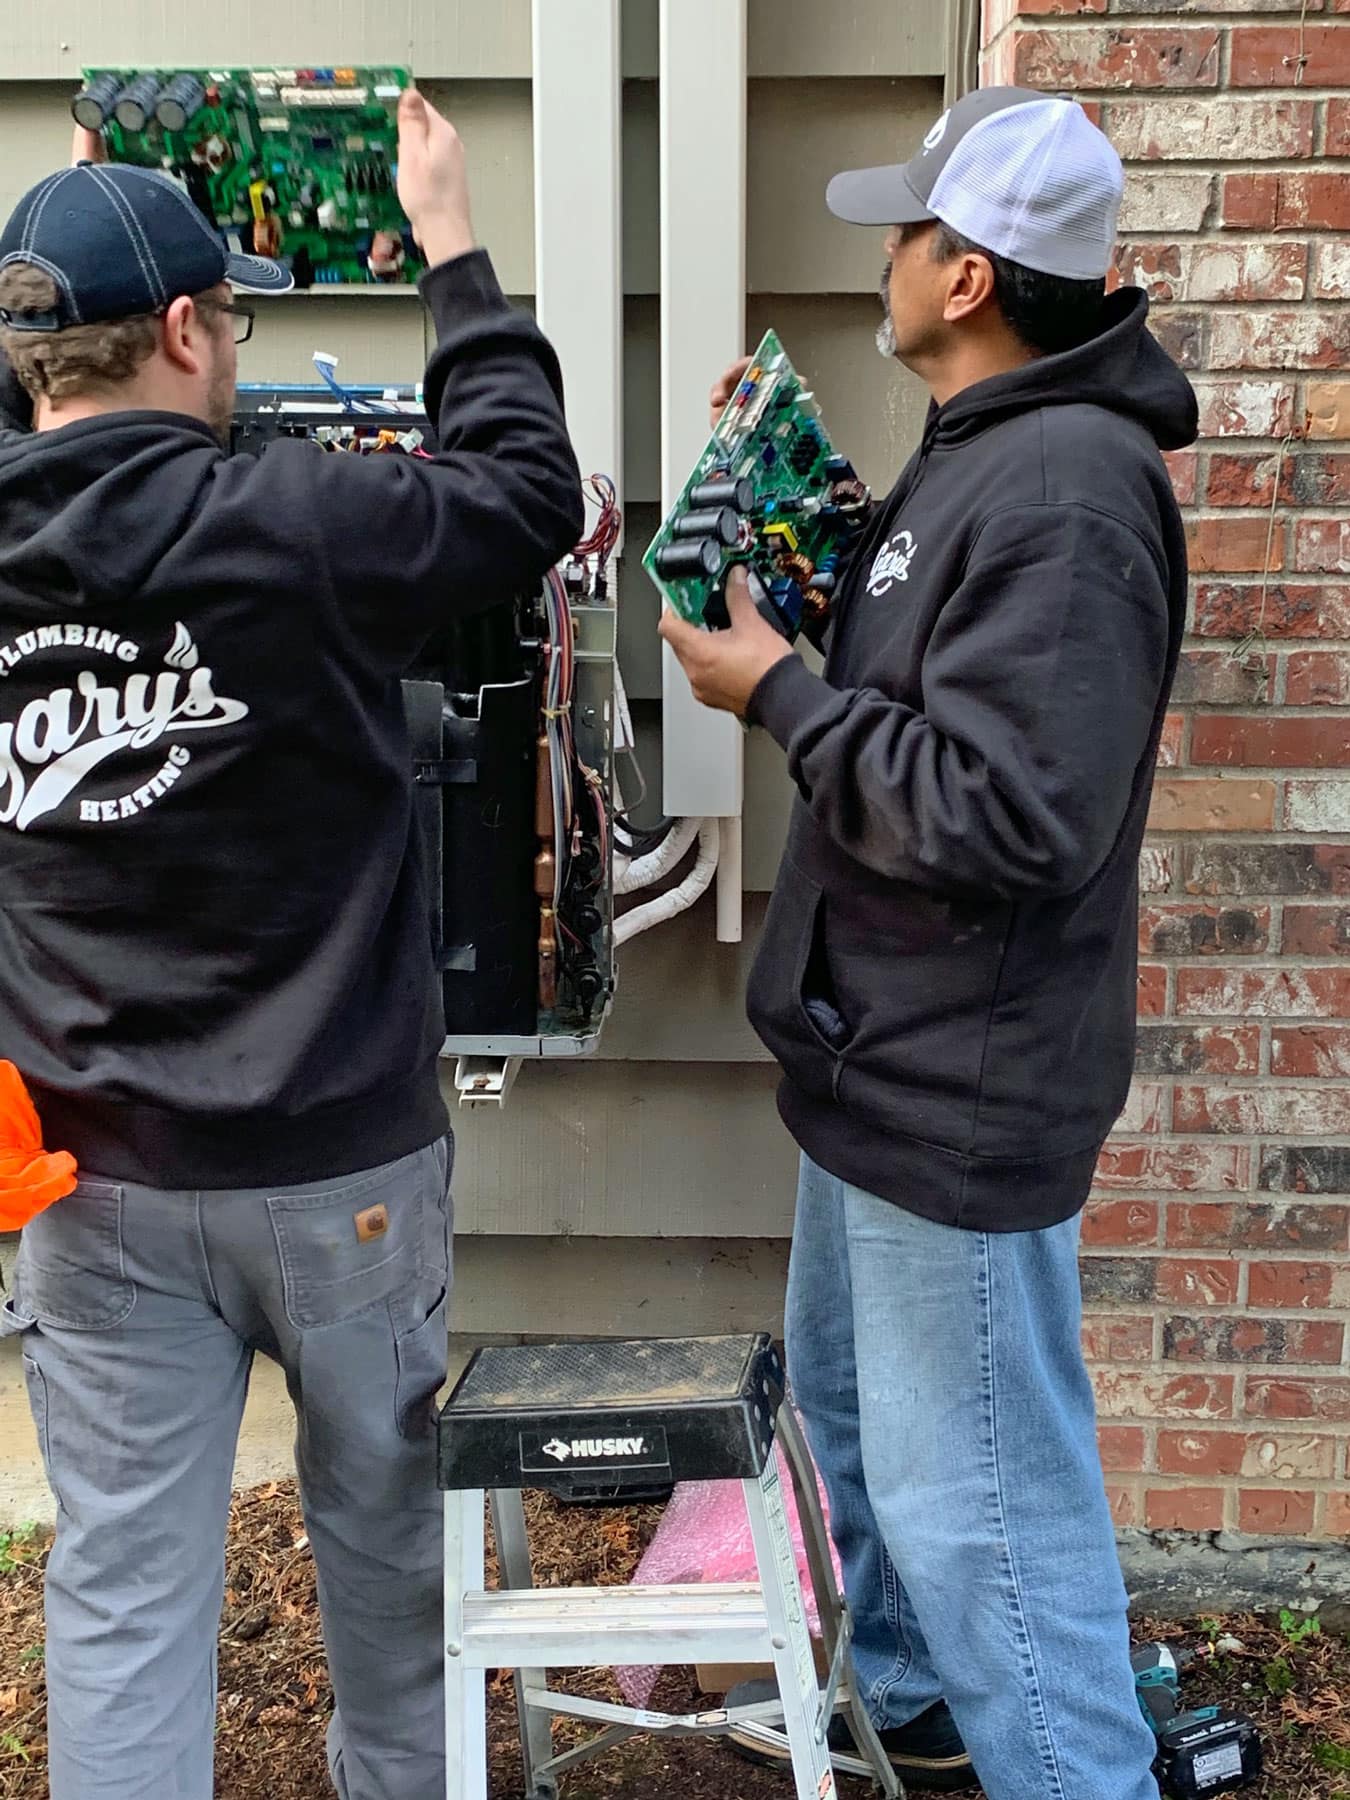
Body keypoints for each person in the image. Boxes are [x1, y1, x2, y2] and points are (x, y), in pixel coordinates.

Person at [0, 92, 582, 1800]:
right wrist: (455, 249)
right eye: (232, 318)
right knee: (391, 1568)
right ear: (186, 329)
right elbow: (522, 490)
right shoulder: (299, 524)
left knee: (117, 1593)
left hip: (91, 1179)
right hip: (342, 1172)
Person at [662, 87, 1197, 1799]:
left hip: (952, 1093)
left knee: (981, 1517)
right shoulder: (985, 446)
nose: (880, 255)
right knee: (870, 1449)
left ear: (966, 277)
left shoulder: (1066, 496)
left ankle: (1069, 1771)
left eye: (902, 230)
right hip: (871, 1060)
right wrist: (817, 618)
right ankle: (909, 1712)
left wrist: (786, 695)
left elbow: (1012, 820)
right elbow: (949, 707)